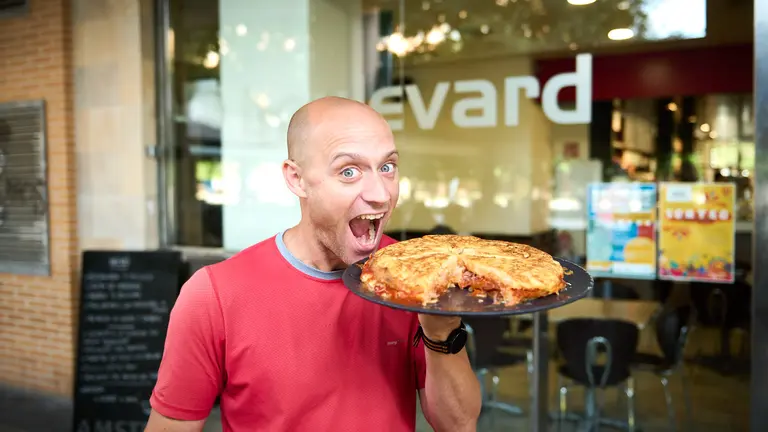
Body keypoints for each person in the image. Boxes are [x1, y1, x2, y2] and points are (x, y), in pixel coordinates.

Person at [145, 97, 482, 432]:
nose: (380, 193)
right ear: (297, 179)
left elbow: (459, 426)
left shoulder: (412, 277)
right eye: (349, 171)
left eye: (387, 167)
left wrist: (441, 330)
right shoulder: (214, 295)